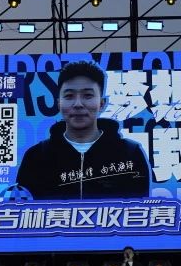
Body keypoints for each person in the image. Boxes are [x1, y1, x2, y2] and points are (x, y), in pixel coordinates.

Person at [16, 61, 150, 199]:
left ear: (102, 103)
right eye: (69, 96)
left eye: (88, 95)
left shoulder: (130, 152)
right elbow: (22, 208)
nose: (78, 104)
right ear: (59, 103)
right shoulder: (36, 156)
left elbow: (140, 208)